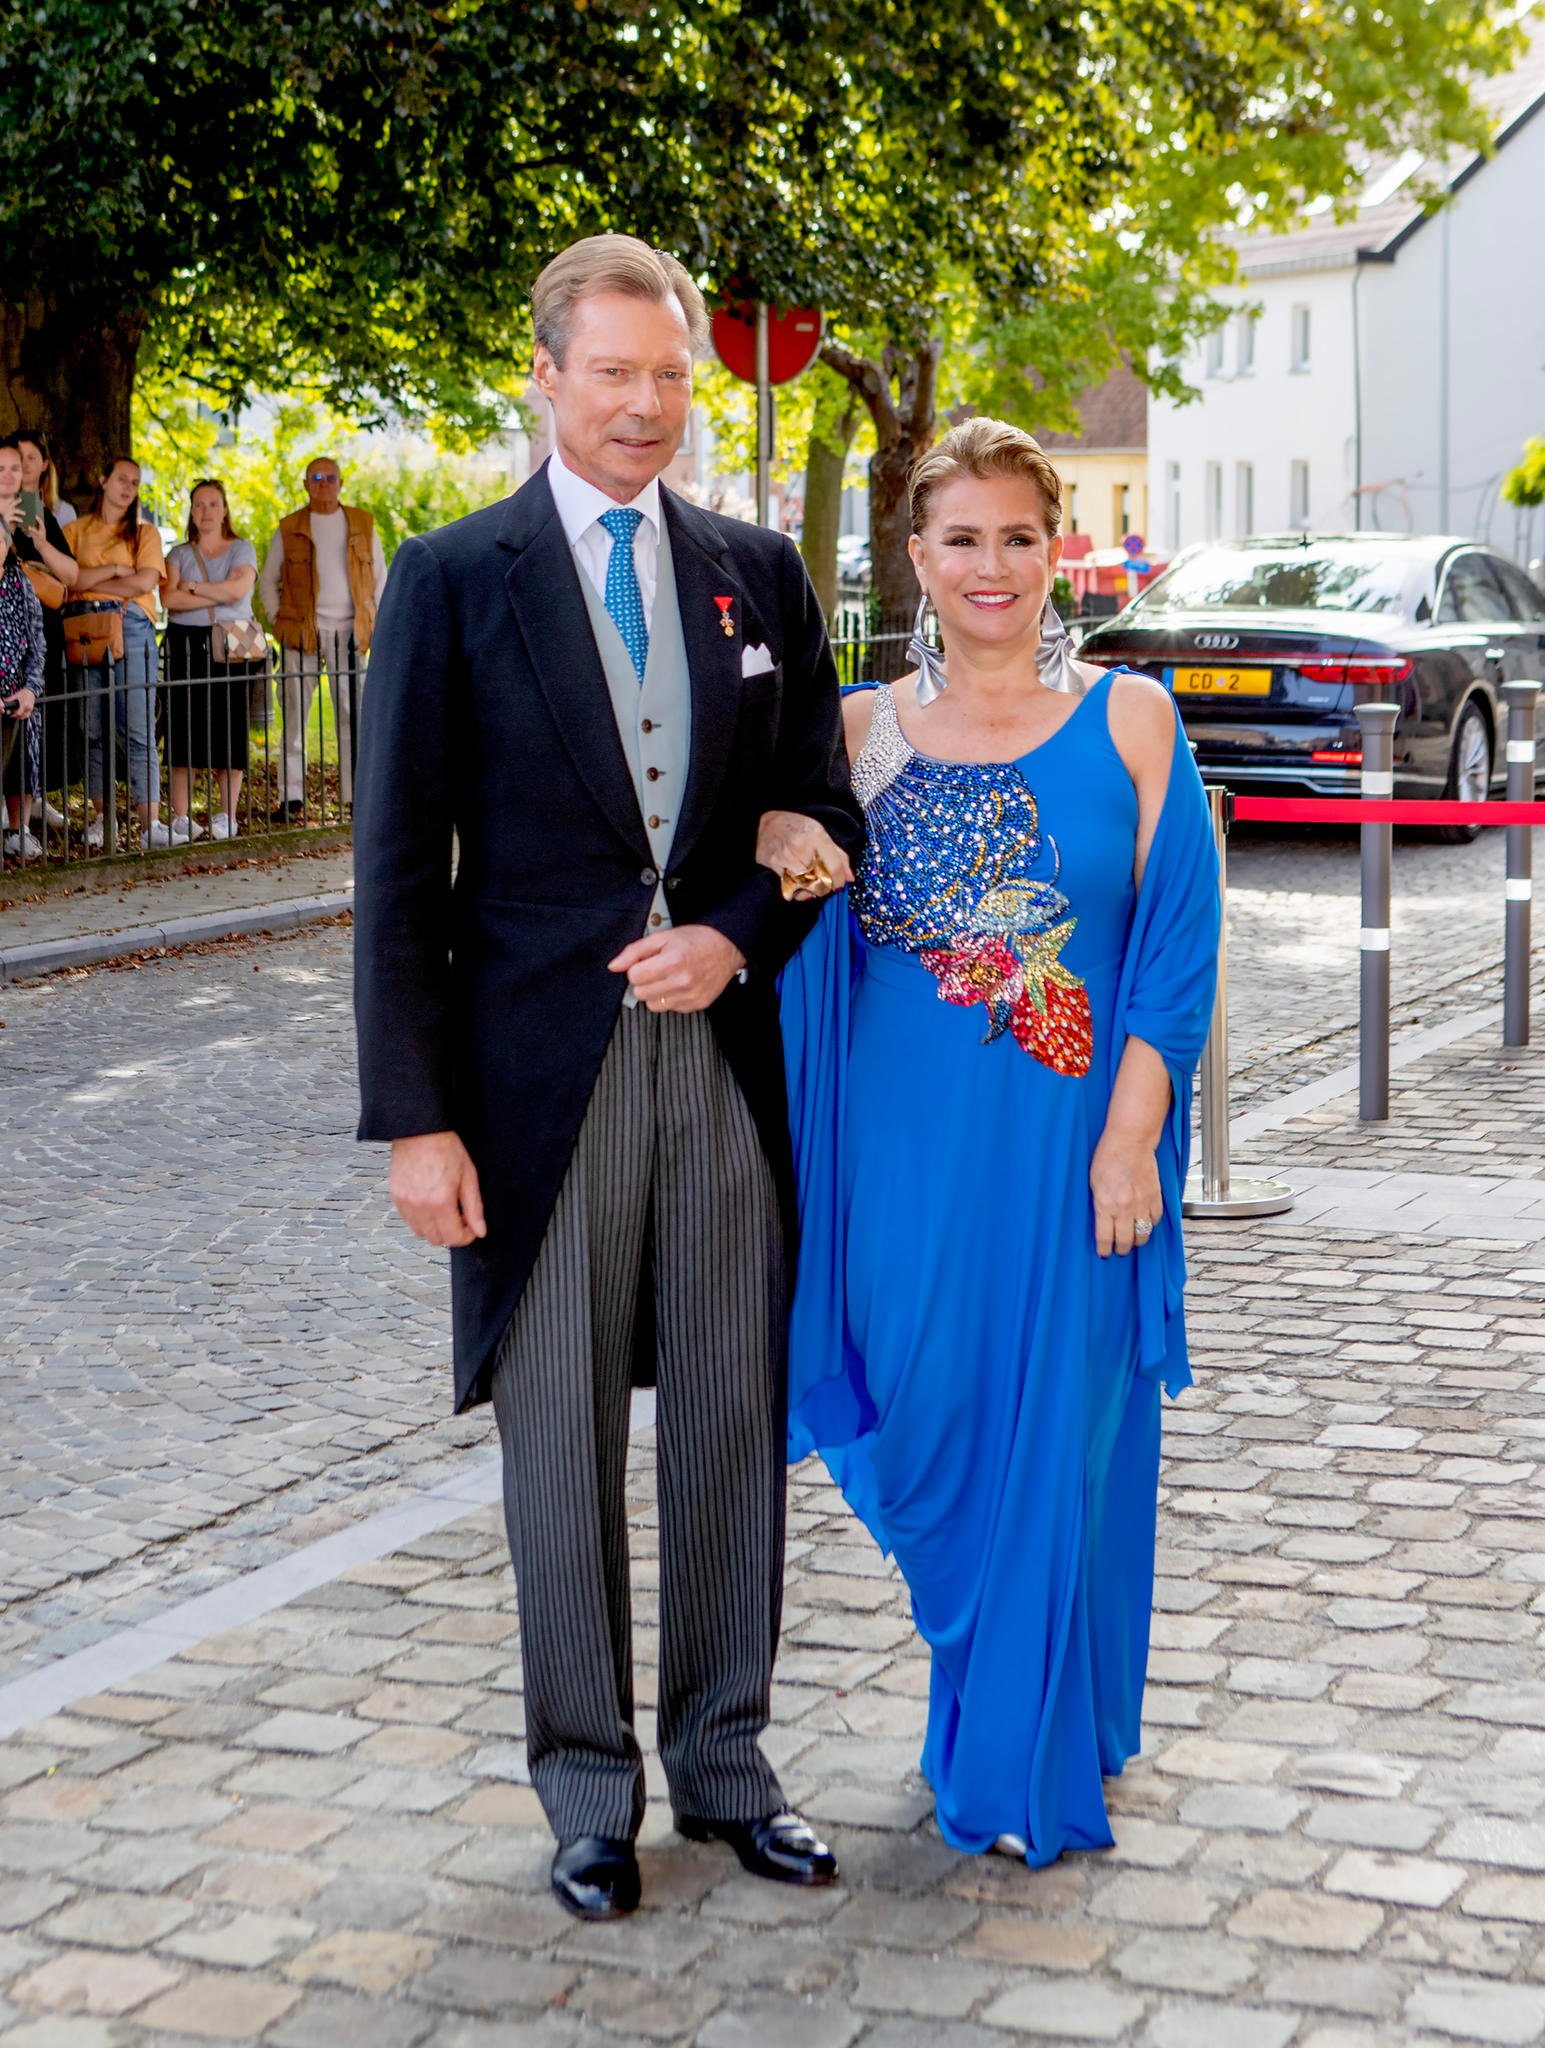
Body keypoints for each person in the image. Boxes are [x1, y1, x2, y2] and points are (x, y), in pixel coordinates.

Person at [353, 233, 864, 1923]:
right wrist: (417, 1119)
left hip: (719, 1067)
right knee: (557, 1440)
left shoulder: (758, 574)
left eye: (670, 377)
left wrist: (734, 934)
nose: (647, 404)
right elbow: (396, 873)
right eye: (615, 372)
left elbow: (822, 814)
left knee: (727, 1417)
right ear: (547, 378)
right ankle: (586, 1792)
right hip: (531, 1086)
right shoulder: (451, 577)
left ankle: (728, 1766)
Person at [773, 417, 1220, 1867]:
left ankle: (1015, 1758)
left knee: (1057, 1453)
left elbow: (1173, 954)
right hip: (899, 1175)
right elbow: (782, 925)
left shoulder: (1133, 721)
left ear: (1053, 550)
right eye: (960, 537)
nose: (992, 564)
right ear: (916, 555)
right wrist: (773, 849)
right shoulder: (854, 734)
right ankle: (1010, 1696)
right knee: (930, 1439)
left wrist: (1132, 1139)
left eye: (1018, 536)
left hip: (1072, 1163)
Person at [259, 456, 386, 821]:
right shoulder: (290, 527)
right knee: (294, 713)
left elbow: (380, 578)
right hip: (302, 633)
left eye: (330, 477)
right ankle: (291, 797)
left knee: (352, 714)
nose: (323, 483)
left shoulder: (362, 523)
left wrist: (374, 622)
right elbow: (268, 581)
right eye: (316, 477)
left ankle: (355, 795)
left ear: (341, 483)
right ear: (305, 484)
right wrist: (279, 621)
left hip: (350, 632)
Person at [66, 456, 168, 850]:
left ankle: (150, 824)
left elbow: (145, 581)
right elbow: (70, 581)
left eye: (135, 483)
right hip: (87, 629)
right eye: (122, 479)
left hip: (133, 626)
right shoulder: (75, 530)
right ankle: (102, 818)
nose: (129, 487)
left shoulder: (145, 533)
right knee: (92, 727)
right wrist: (114, 571)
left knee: (138, 727)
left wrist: (93, 581)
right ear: (103, 480)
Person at [163, 480, 264, 841]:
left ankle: (227, 815)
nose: (206, 511)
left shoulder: (242, 549)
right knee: (182, 727)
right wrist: (218, 594)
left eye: (213, 504)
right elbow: (169, 600)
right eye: (199, 504)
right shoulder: (178, 554)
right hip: (185, 643)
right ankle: (180, 817)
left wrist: (192, 587)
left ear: (224, 510)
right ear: (192, 511)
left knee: (229, 726)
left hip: (230, 643)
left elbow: (238, 590)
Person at [0, 437, 78, 848]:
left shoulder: (37, 514)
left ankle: (19, 828)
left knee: (25, 733)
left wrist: (41, 540)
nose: (10, 475)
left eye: (16, 468)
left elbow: (71, 577)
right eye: (1, 469)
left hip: (23, 625)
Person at [0, 511, 47, 858]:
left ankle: (19, 830)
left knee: (21, 762)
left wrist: (30, 689)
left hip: (16, 693)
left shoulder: (19, 582)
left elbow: (36, 642)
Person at [18, 431, 76, 527]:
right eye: (19, 457)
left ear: (44, 464)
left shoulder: (64, 512)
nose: (24, 464)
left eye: (31, 458)